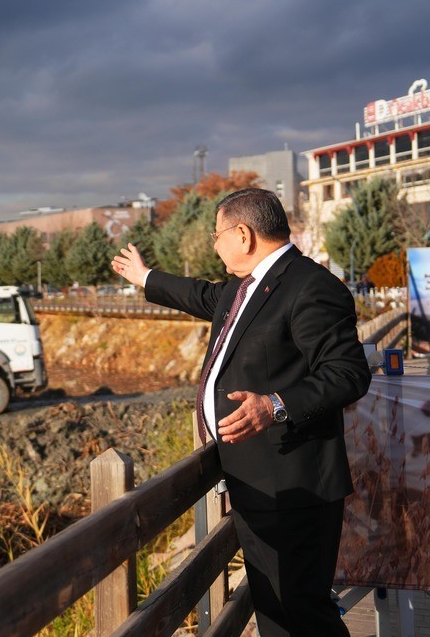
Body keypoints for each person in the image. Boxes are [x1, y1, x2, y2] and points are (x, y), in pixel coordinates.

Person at [110, 187, 370, 637]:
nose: (214, 245)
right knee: (276, 611)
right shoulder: (241, 288)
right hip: (258, 482)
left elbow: (348, 373)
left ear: (243, 235)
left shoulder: (310, 286)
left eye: (217, 235)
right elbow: (200, 295)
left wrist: (274, 405)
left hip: (294, 486)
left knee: (303, 613)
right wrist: (145, 276)